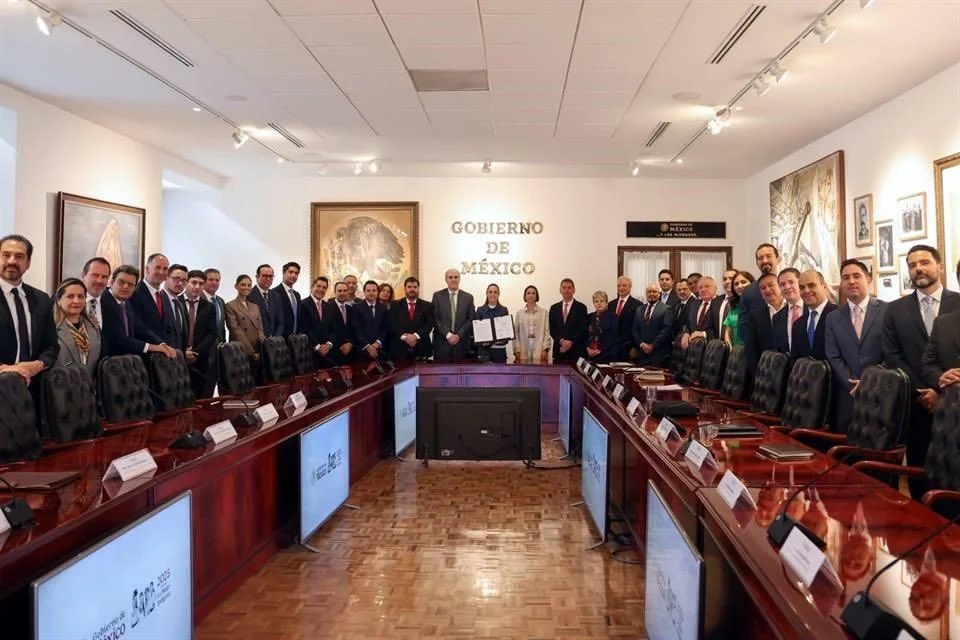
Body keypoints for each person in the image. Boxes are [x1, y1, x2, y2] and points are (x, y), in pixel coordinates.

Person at [885, 246, 960, 494]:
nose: (918, 268)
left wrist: (943, 390)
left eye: (925, 262)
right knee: (919, 471)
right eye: (912, 264)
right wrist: (924, 391)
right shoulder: (894, 309)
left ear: (939, 266)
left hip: (954, 404)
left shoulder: (957, 304)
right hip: (917, 403)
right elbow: (892, 355)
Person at [825, 259, 887, 433]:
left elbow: (892, 352)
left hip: (881, 394)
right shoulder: (833, 317)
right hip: (847, 394)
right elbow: (833, 355)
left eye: (856, 276)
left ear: (868, 279)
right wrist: (851, 382)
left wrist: (870, 381)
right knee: (847, 451)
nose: (851, 281)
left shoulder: (887, 311)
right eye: (846, 277)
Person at [0, 235, 59, 388]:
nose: (12, 261)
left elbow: (51, 345)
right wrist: (5, 369)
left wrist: (38, 365)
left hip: (33, 388)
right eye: (6, 255)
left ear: (28, 263)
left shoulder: (41, 299)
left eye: (19, 256)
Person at [99, 265, 175, 359]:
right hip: (109, 363)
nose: (126, 287)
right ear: (111, 282)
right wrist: (152, 347)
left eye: (131, 284)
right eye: (121, 282)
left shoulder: (126, 302)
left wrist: (162, 344)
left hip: (128, 362)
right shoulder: (104, 302)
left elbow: (140, 327)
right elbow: (118, 339)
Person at [52, 278, 101, 379]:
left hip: (90, 389)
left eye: (81, 296)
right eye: (70, 296)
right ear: (58, 300)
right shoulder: (50, 327)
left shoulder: (94, 326)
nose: (76, 301)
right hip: (61, 388)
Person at [128, 253, 179, 348]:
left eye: (165, 269)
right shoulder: (134, 293)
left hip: (163, 355)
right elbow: (137, 327)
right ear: (147, 270)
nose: (161, 272)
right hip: (144, 354)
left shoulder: (163, 296)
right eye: (157, 268)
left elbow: (167, 327)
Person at [740, 243, 780, 362]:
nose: (764, 260)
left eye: (768, 256)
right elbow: (744, 326)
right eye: (760, 258)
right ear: (757, 262)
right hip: (762, 359)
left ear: (778, 259)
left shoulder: (790, 286)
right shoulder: (748, 292)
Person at [182, 270, 217, 398]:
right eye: (194, 282)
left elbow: (212, 333)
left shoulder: (209, 307)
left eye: (201, 283)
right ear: (186, 282)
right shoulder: (176, 302)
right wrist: (184, 351)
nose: (197, 286)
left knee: (200, 397)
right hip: (179, 358)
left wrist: (195, 352)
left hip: (200, 359)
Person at [743, 273, 785, 375]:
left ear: (780, 286)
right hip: (766, 372)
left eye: (771, 285)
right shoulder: (755, 316)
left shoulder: (794, 310)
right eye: (763, 288)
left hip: (792, 373)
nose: (767, 290)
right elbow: (751, 349)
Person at [791, 270, 837, 362]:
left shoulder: (839, 315)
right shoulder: (798, 324)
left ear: (824, 286)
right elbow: (795, 360)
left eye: (811, 285)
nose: (806, 290)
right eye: (802, 287)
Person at [431, 269, 475, 363]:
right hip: (442, 344)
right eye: (450, 277)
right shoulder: (437, 296)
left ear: (459, 279)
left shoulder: (468, 297)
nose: (453, 279)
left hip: (462, 345)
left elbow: (471, 319)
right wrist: (448, 335)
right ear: (446, 280)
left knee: (461, 376)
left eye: (456, 277)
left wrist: (458, 335)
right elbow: (435, 318)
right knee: (441, 376)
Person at [387, 277, 433, 362]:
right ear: (405, 288)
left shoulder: (427, 305)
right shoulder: (395, 305)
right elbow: (392, 324)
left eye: (415, 287)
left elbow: (429, 324)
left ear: (418, 289)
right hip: (400, 349)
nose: (412, 289)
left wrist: (415, 336)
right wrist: (405, 337)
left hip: (421, 348)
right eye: (409, 287)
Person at [225, 274, 265, 367]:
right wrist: (251, 352)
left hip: (258, 349)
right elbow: (236, 331)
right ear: (236, 286)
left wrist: (264, 346)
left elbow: (260, 328)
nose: (246, 288)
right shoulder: (230, 306)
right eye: (243, 285)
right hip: (241, 349)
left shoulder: (255, 306)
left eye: (249, 285)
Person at [631, 283, 675, 366]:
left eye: (654, 292)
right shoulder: (639, 309)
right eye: (649, 292)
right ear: (646, 294)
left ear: (659, 294)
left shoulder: (666, 309)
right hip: (642, 354)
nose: (651, 294)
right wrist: (641, 344)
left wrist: (653, 345)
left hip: (660, 354)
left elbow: (666, 329)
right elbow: (635, 330)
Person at [548, 278, 588, 363]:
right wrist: (561, 341)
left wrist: (570, 342)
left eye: (569, 288)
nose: (566, 290)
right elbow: (552, 329)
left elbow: (583, 329)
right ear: (560, 290)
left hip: (576, 351)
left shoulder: (581, 308)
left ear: (574, 290)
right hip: (559, 351)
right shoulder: (554, 308)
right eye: (564, 287)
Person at [300, 276, 335, 368]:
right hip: (310, 352)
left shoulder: (328, 306)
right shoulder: (303, 304)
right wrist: (318, 346)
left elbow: (333, 328)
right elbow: (305, 328)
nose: (321, 289)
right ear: (312, 287)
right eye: (318, 286)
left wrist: (329, 344)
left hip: (327, 354)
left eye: (324, 287)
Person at [350, 280, 388, 362]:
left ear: (377, 292)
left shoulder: (383, 308)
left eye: (374, 290)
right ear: (364, 292)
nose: (371, 293)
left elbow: (385, 328)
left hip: (379, 350)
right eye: (368, 290)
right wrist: (368, 346)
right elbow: (356, 329)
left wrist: (377, 343)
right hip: (362, 351)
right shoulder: (356, 308)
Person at [514, 285, 551, 364]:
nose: (531, 295)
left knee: (538, 373)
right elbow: (516, 333)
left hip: (539, 347)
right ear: (525, 296)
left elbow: (547, 332)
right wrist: (517, 350)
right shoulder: (519, 313)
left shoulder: (544, 313)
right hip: (524, 347)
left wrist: (545, 349)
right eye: (528, 293)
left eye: (533, 293)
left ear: (536, 296)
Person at [680, 276, 719, 348]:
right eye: (700, 288)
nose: (703, 289)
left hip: (712, 350)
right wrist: (686, 334)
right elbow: (689, 325)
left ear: (715, 288)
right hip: (693, 350)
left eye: (707, 286)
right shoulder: (694, 304)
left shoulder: (720, 304)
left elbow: (720, 330)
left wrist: (704, 334)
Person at [474, 283, 510, 363]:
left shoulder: (504, 310)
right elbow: (476, 332)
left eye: (495, 292)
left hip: (499, 351)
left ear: (498, 294)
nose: (492, 294)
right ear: (486, 294)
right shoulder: (480, 310)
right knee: (485, 375)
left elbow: (506, 332)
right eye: (490, 292)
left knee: (500, 374)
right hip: (484, 352)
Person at [608, 276, 639, 360]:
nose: (621, 288)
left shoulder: (637, 305)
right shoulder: (610, 304)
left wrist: (634, 347)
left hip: (628, 348)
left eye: (624, 285)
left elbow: (638, 328)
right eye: (619, 286)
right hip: (611, 348)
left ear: (630, 287)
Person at [722, 271, 755, 348]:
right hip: (736, 353)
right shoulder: (734, 306)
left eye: (743, 282)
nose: (739, 286)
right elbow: (727, 333)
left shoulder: (760, 304)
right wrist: (731, 351)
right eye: (736, 284)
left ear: (752, 283)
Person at [774, 268, 803, 354]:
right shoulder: (777, 317)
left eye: (791, 282)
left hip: (812, 365)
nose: (787, 287)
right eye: (782, 284)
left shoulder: (812, 310)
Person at [585, 290, 618, 363]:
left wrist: (600, 350)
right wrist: (587, 348)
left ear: (606, 303)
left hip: (606, 355)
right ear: (593, 303)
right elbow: (585, 335)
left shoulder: (613, 317)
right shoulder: (589, 317)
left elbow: (613, 336)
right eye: (596, 301)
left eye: (601, 301)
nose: (599, 303)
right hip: (590, 355)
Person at [162, 263, 189, 351]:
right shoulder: (158, 300)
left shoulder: (180, 304)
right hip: (162, 358)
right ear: (166, 277)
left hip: (179, 359)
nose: (180, 283)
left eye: (184, 280)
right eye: (176, 279)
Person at [248, 264, 278, 337]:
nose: (268, 279)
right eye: (264, 276)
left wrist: (275, 338)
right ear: (257, 277)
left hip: (275, 343)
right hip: (257, 341)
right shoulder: (249, 295)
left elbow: (280, 321)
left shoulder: (276, 296)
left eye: (270, 276)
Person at [81, 257, 111, 330]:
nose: (99, 281)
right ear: (83, 276)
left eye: (104, 277)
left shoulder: (111, 306)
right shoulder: (66, 300)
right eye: (95, 275)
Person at [272, 261, 301, 337]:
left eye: (296, 273)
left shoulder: (297, 295)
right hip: (280, 339)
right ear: (284, 273)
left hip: (295, 340)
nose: (294, 275)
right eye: (291, 272)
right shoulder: (274, 293)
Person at [329, 281, 356, 364]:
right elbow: (328, 330)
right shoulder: (327, 307)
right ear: (335, 292)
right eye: (339, 291)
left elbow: (354, 330)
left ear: (348, 292)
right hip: (333, 353)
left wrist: (350, 344)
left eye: (345, 291)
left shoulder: (351, 309)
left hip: (350, 353)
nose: (342, 293)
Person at [202, 268, 227, 343]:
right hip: (202, 347)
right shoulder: (198, 299)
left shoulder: (221, 301)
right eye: (211, 280)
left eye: (217, 280)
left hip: (219, 347)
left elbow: (221, 327)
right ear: (204, 281)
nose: (214, 283)